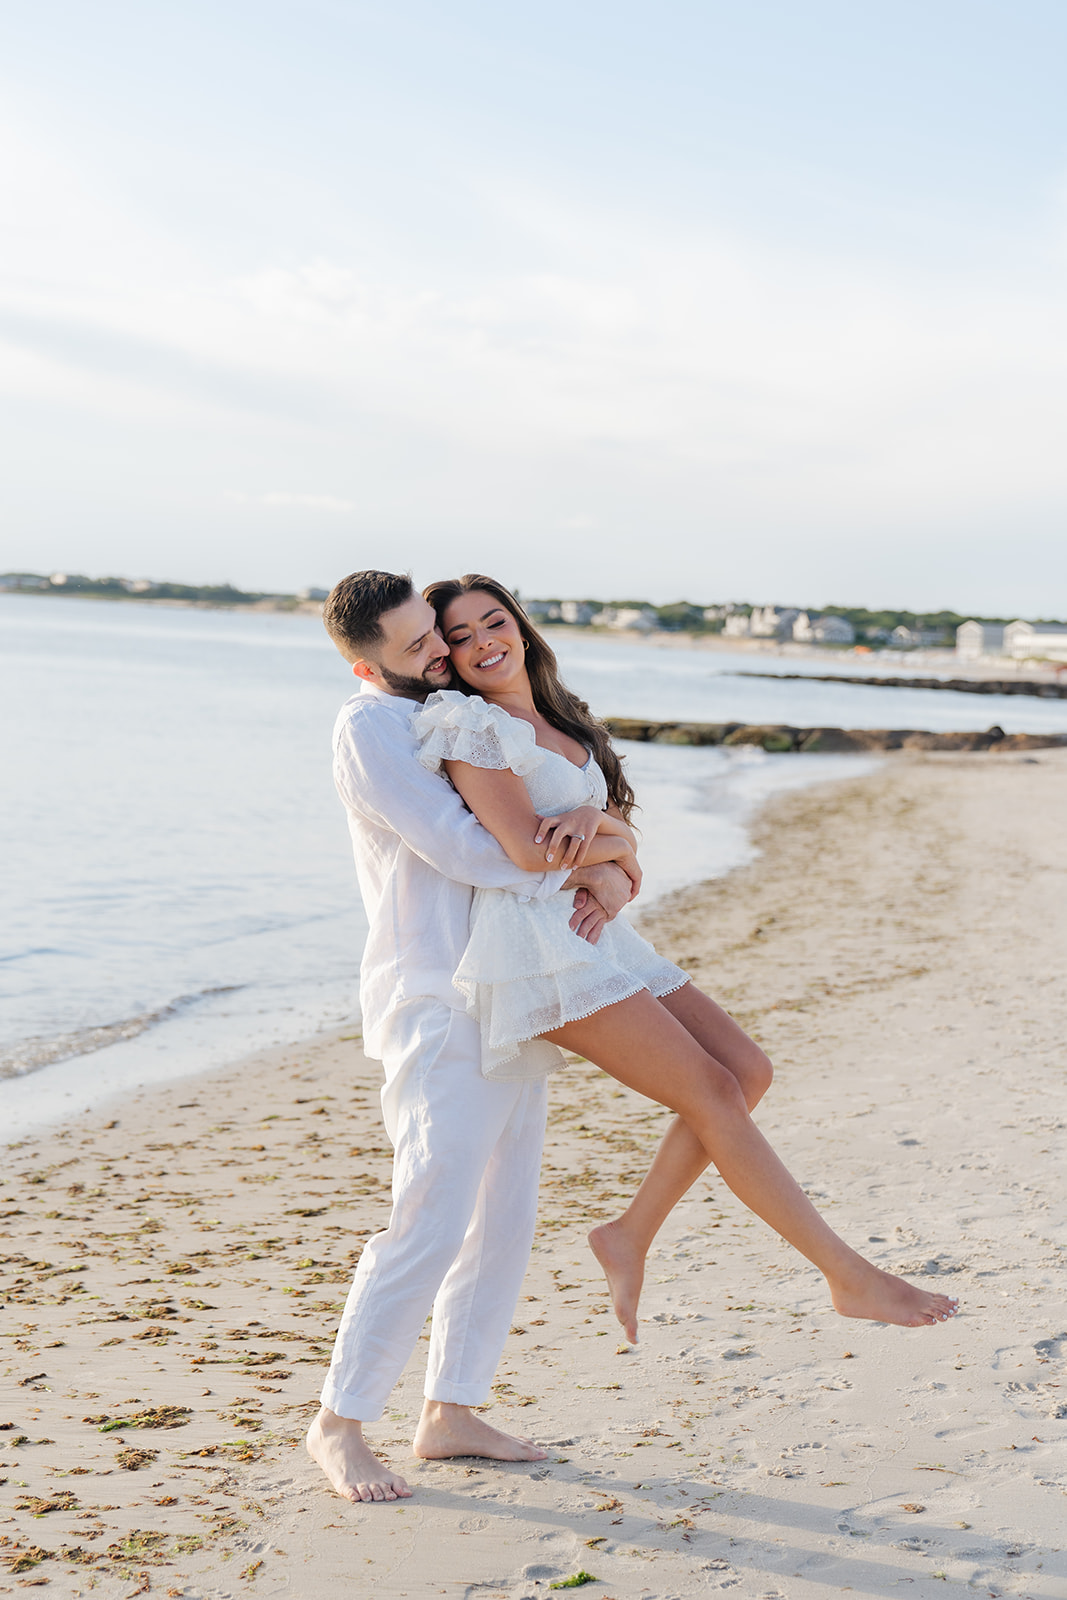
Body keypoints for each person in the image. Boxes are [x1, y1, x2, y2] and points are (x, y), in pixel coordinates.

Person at [416, 573, 961, 1341]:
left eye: (492, 622)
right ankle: (847, 1275)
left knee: (747, 1071)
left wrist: (606, 843)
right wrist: (607, 847)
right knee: (709, 1087)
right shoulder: (467, 725)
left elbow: (611, 838)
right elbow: (521, 849)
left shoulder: (560, 721)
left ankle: (629, 1233)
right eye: (460, 636)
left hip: (587, 929)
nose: (482, 644)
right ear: (443, 655)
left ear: (521, 626)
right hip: (534, 945)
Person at [306, 570, 634, 1506]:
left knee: (503, 1217)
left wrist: (602, 857)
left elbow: (528, 831)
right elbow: (467, 851)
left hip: (510, 984)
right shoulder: (367, 726)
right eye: (413, 649)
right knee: (431, 1211)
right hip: (432, 995)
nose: (437, 655)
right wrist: (598, 854)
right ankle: (339, 1421)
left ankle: (449, 1408)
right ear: (361, 663)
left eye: (433, 638)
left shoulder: (444, 705)